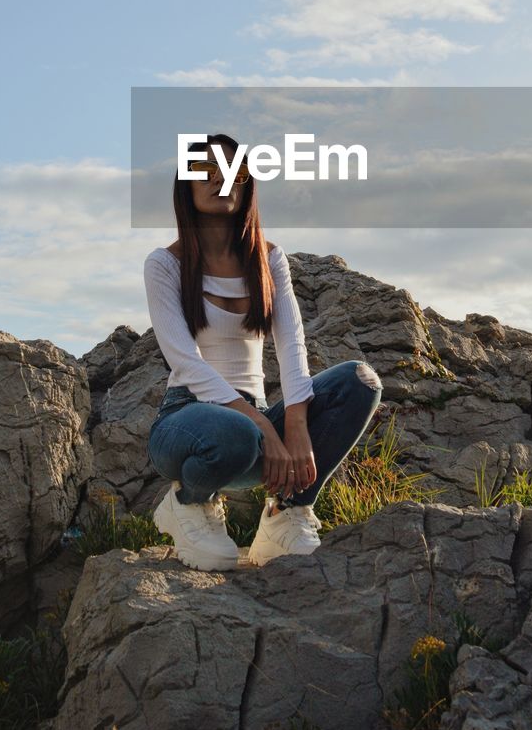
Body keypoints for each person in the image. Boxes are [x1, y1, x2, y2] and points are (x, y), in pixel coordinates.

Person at [144, 132, 383, 572]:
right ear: (186, 186)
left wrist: (294, 424)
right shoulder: (164, 265)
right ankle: (188, 502)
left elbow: (292, 344)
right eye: (207, 172)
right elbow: (185, 362)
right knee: (237, 431)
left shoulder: (270, 259)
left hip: (253, 430)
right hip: (187, 423)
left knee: (359, 382)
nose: (221, 180)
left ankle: (284, 514)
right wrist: (262, 426)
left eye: (233, 171)